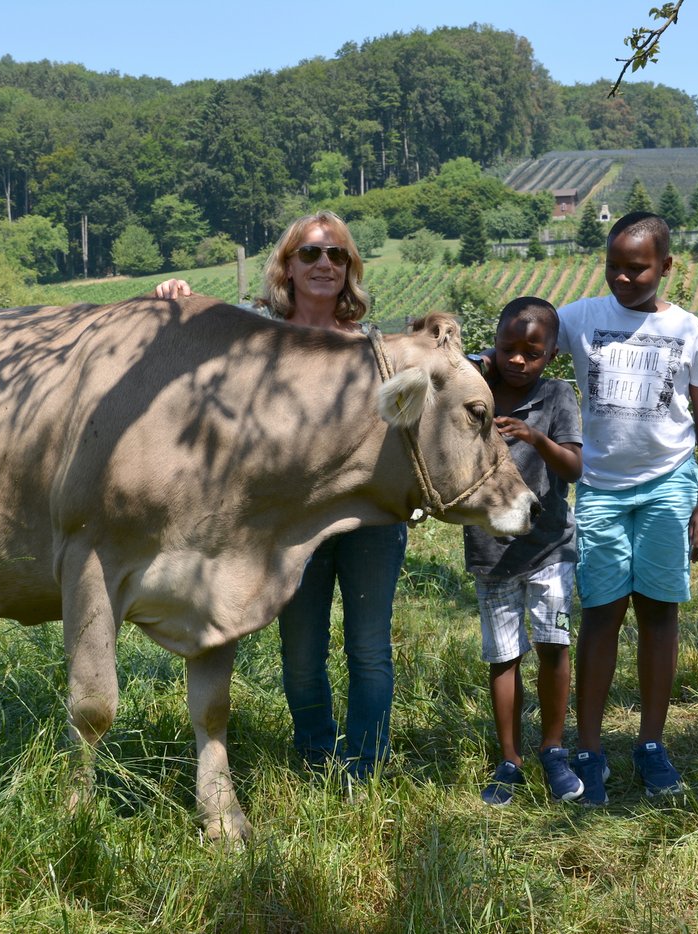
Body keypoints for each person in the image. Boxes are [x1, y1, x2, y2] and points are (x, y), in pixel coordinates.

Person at [154, 211, 406, 781]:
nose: (324, 265)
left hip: (370, 523)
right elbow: (199, 339)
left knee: (369, 648)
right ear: (287, 266)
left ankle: (365, 766)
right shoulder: (257, 335)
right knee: (300, 653)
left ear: (350, 269)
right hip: (294, 525)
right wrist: (175, 297)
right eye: (311, 254)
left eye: (336, 255)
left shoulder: (373, 347)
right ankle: (316, 759)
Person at [555, 211, 698, 806]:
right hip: (600, 488)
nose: (624, 279)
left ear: (666, 266)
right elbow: (518, 347)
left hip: (668, 487)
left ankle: (651, 743)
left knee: (658, 613)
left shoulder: (689, 331)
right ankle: (590, 746)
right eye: (614, 267)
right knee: (601, 613)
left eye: (638, 268)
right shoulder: (579, 319)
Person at [463, 297, 585, 806]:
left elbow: (575, 468)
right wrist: (473, 368)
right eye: (507, 348)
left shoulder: (557, 396)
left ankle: (553, 748)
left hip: (549, 546)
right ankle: (509, 757)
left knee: (554, 645)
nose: (518, 359)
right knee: (503, 655)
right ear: (493, 343)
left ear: (551, 355)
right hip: (491, 552)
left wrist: (536, 438)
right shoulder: (476, 392)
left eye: (531, 352)